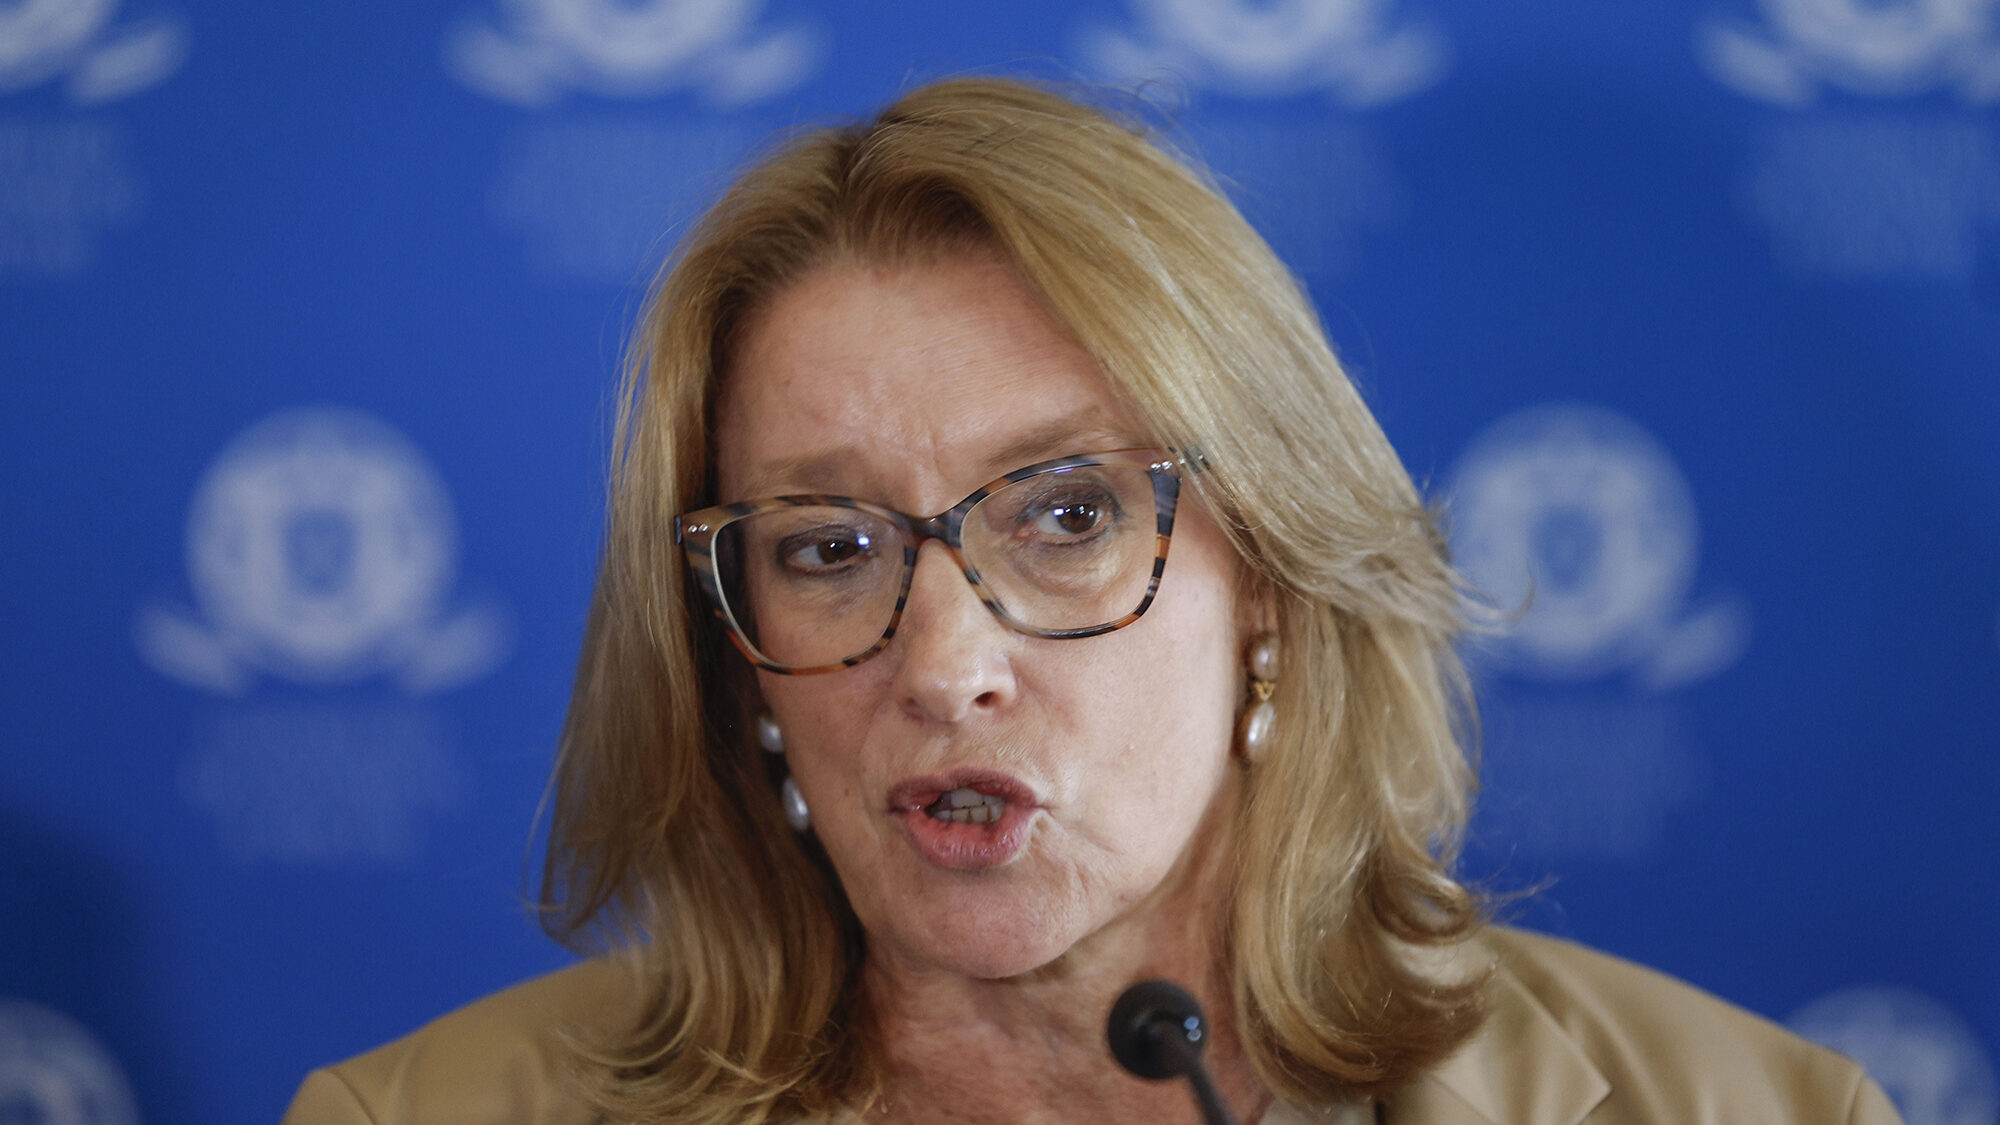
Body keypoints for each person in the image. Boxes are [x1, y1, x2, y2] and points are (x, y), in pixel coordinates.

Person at [283, 77, 1900, 1125]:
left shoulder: (1766, 1110)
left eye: (1067, 515)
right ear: (734, 656)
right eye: (829, 547)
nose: (946, 666)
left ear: (1271, 576)